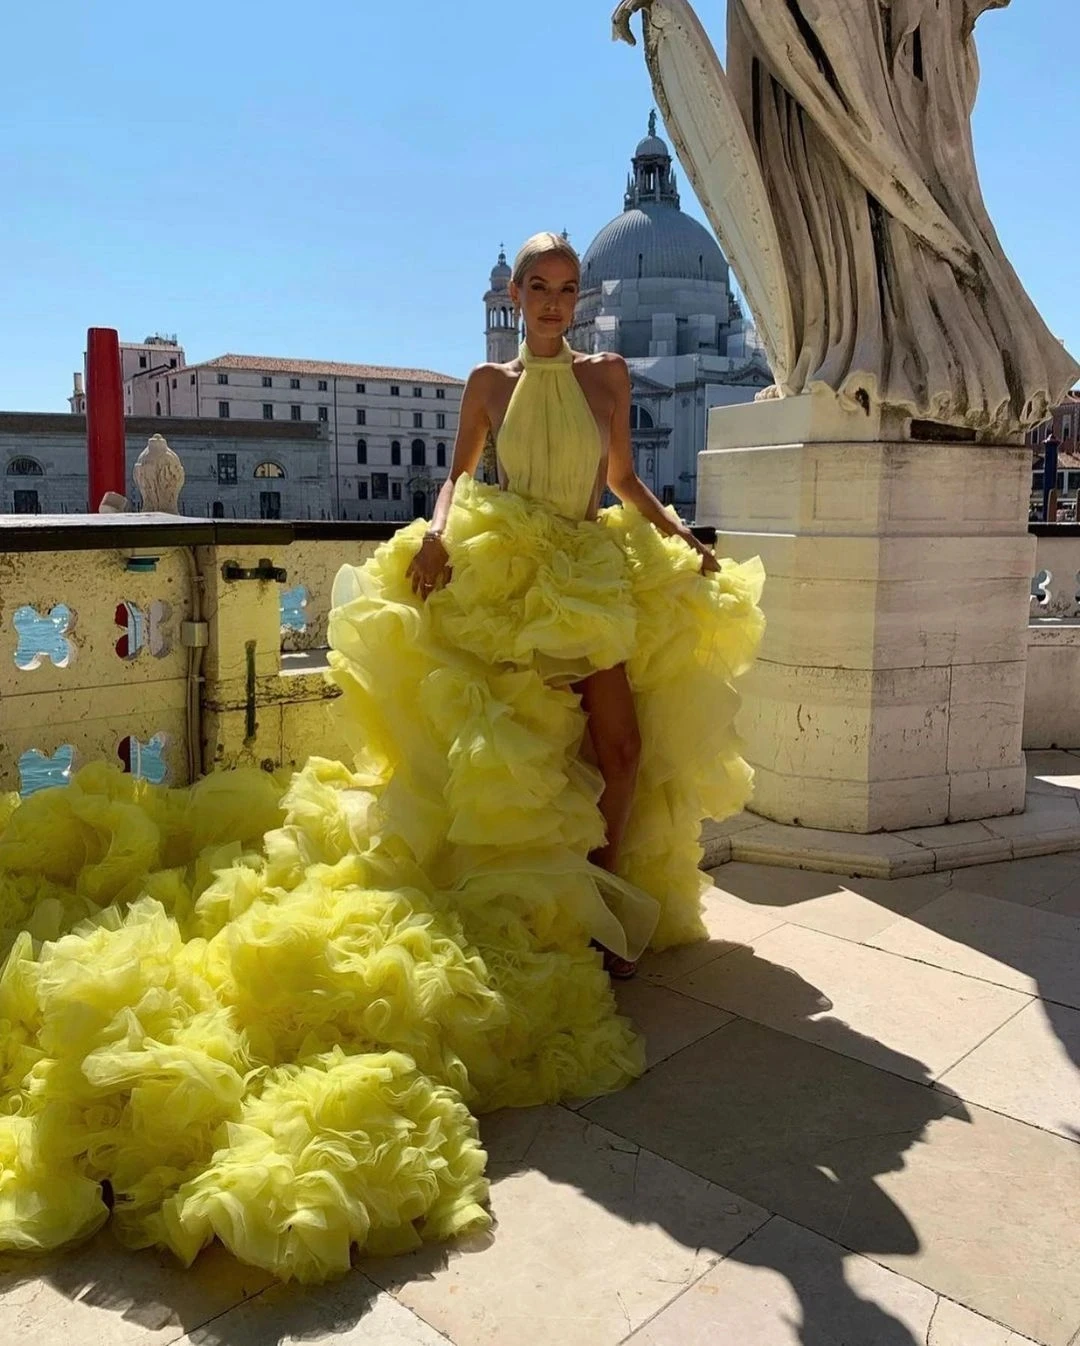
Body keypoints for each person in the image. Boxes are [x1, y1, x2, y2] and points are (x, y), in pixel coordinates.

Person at [0, 232, 763, 1284]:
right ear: (514, 297)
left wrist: (680, 536)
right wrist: (439, 535)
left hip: (588, 566)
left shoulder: (608, 374)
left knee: (619, 748)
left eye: (564, 289)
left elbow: (623, 478)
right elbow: (454, 481)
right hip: (504, 564)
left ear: (582, 298)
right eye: (535, 289)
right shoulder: (489, 381)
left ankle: (617, 903)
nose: (550, 303)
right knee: (517, 766)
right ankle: (563, 920)